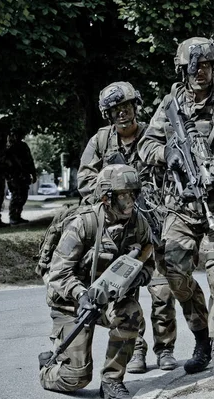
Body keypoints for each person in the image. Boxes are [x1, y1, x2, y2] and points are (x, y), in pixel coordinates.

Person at [138, 37, 214, 379]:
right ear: (182, 69)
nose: (200, 72)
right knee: (175, 274)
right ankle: (201, 336)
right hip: (181, 205)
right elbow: (147, 144)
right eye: (193, 66)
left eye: (206, 65)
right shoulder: (171, 103)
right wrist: (167, 155)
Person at [77, 82, 178, 374]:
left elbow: (174, 171)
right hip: (121, 230)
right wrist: (111, 193)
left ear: (136, 107)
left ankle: (166, 348)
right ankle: (135, 350)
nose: (122, 114)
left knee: (161, 290)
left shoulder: (154, 135)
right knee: (124, 290)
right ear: (108, 115)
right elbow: (85, 180)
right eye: (115, 111)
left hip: (155, 221)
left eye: (127, 108)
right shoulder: (100, 142)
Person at [38, 164, 154, 399]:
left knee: (130, 312)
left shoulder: (138, 223)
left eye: (133, 194)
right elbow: (59, 274)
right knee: (76, 377)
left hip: (108, 301)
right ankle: (46, 368)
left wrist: (133, 279)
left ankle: (112, 381)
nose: (130, 201)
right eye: (123, 195)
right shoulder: (83, 224)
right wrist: (82, 296)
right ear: (106, 198)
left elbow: (148, 264)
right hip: (71, 304)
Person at [5, 130, 37, 225]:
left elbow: (30, 161)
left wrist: (33, 174)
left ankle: (17, 215)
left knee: (23, 196)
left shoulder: (23, 146)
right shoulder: (9, 149)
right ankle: (13, 216)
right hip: (14, 175)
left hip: (24, 175)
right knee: (16, 196)